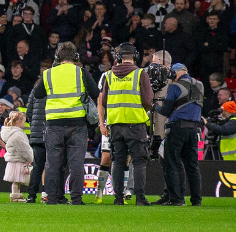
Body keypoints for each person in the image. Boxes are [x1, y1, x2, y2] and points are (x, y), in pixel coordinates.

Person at [34, 42, 100, 205]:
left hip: (54, 124)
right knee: (76, 163)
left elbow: (38, 93)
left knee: (52, 163)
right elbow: (96, 93)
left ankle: (52, 198)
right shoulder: (81, 72)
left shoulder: (49, 74)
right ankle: (76, 199)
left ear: (57, 57)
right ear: (76, 57)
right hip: (77, 124)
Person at [96, 42, 153, 205]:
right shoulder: (140, 73)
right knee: (139, 161)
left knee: (118, 162)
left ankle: (118, 198)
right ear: (135, 57)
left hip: (115, 125)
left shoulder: (108, 75)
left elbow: (104, 101)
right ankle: (140, 198)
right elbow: (147, 100)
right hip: (135, 123)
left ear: (118, 57)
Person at [156, 62, 203, 206]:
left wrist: (154, 106)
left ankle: (176, 199)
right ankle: (196, 201)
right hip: (193, 130)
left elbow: (166, 111)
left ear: (176, 73)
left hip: (177, 128)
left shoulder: (174, 87)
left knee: (172, 163)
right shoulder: (200, 85)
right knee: (192, 166)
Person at [0, 110, 32, 202]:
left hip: (14, 159)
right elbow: (23, 148)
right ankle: (15, 196)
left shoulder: (12, 133)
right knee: (17, 179)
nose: (24, 124)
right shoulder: (17, 135)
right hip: (18, 160)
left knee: (16, 180)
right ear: (18, 122)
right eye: (23, 121)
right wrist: (30, 157)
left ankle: (16, 195)